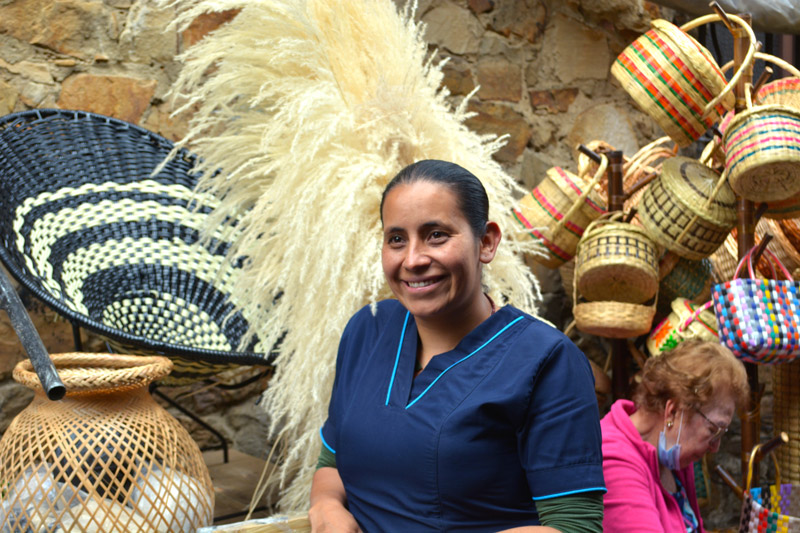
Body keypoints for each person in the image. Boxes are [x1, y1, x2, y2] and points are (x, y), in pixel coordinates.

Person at [308, 159, 605, 533]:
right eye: (397, 239)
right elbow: (333, 461)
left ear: (486, 242)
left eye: (436, 235)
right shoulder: (367, 330)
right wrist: (327, 507)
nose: (413, 260)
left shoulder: (547, 361)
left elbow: (574, 526)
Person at [600, 340, 749, 532]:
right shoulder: (614, 463)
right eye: (713, 430)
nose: (716, 447)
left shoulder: (670, 453)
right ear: (673, 411)